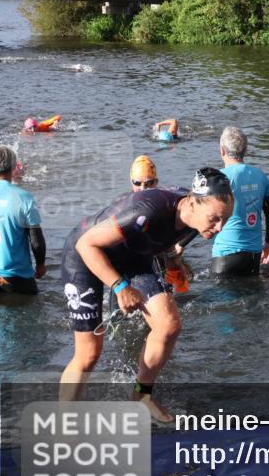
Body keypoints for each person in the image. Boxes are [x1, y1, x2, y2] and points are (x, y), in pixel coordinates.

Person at [59, 167, 234, 421]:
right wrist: (120, 286)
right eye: (215, 219)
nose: (219, 228)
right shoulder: (149, 210)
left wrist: (174, 261)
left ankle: (141, 397)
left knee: (169, 325)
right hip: (86, 255)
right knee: (88, 354)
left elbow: (165, 241)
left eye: (225, 220)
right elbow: (86, 244)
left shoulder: (197, 221)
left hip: (134, 254)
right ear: (193, 204)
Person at [211, 127, 269, 276]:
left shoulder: (218, 178)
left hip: (225, 256)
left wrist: (180, 245)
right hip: (254, 256)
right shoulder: (260, 176)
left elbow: (200, 214)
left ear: (222, 150)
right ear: (245, 150)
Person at [0, 146, 46, 295]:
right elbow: (36, 239)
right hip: (17, 278)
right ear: (14, 167)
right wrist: (40, 265)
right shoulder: (24, 198)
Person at [128, 154, 190, 292]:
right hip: (137, 259)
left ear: (156, 182)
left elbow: (201, 212)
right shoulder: (124, 206)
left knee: (183, 285)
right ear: (131, 182)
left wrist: (181, 243)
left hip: (164, 252)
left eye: (149, 183)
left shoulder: (167, 200)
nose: (143, 188)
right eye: (137, 183)